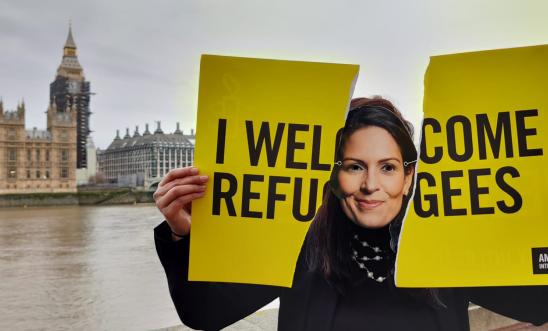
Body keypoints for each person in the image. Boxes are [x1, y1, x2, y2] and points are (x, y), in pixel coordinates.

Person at [153, 97, 547, 331]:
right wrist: (184, 236)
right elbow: (205, 313)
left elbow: (537, 304)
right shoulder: (296, 242)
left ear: (409, 176)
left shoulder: (445, 245)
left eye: (388, 167)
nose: (370, 184)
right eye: (353, 166)